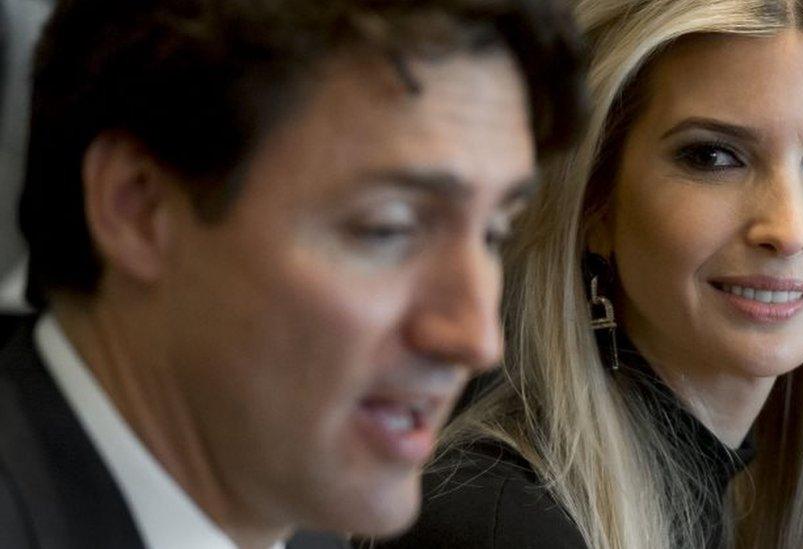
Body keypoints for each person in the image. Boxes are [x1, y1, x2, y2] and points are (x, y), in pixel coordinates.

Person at [0, 0, 584, 548]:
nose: (478, 339)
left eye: (493, 234)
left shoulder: (300, 519)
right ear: (139, 207)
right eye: (389, 228)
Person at [378, 0, 803, 547]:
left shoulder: (742, 500)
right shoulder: (498, 525)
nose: (788, 229)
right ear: (592, 201)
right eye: (712, 157)